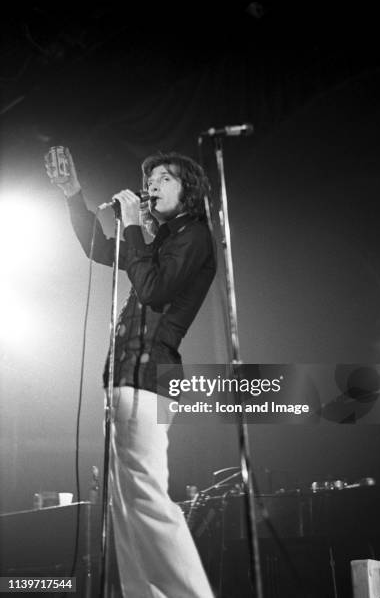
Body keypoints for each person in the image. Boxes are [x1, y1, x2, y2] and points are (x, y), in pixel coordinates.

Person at [47, 148, 216, 597]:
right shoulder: (155, 242)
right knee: (124, 511)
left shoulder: (195, 235)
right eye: (151, 178)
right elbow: (98, 248)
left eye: (165, 178)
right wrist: (73, 195)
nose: (152, 184)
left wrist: (137, 226)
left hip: (149, 376)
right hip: (123, 377)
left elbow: (154, 288)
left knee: (145, 498)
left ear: (189, 192)